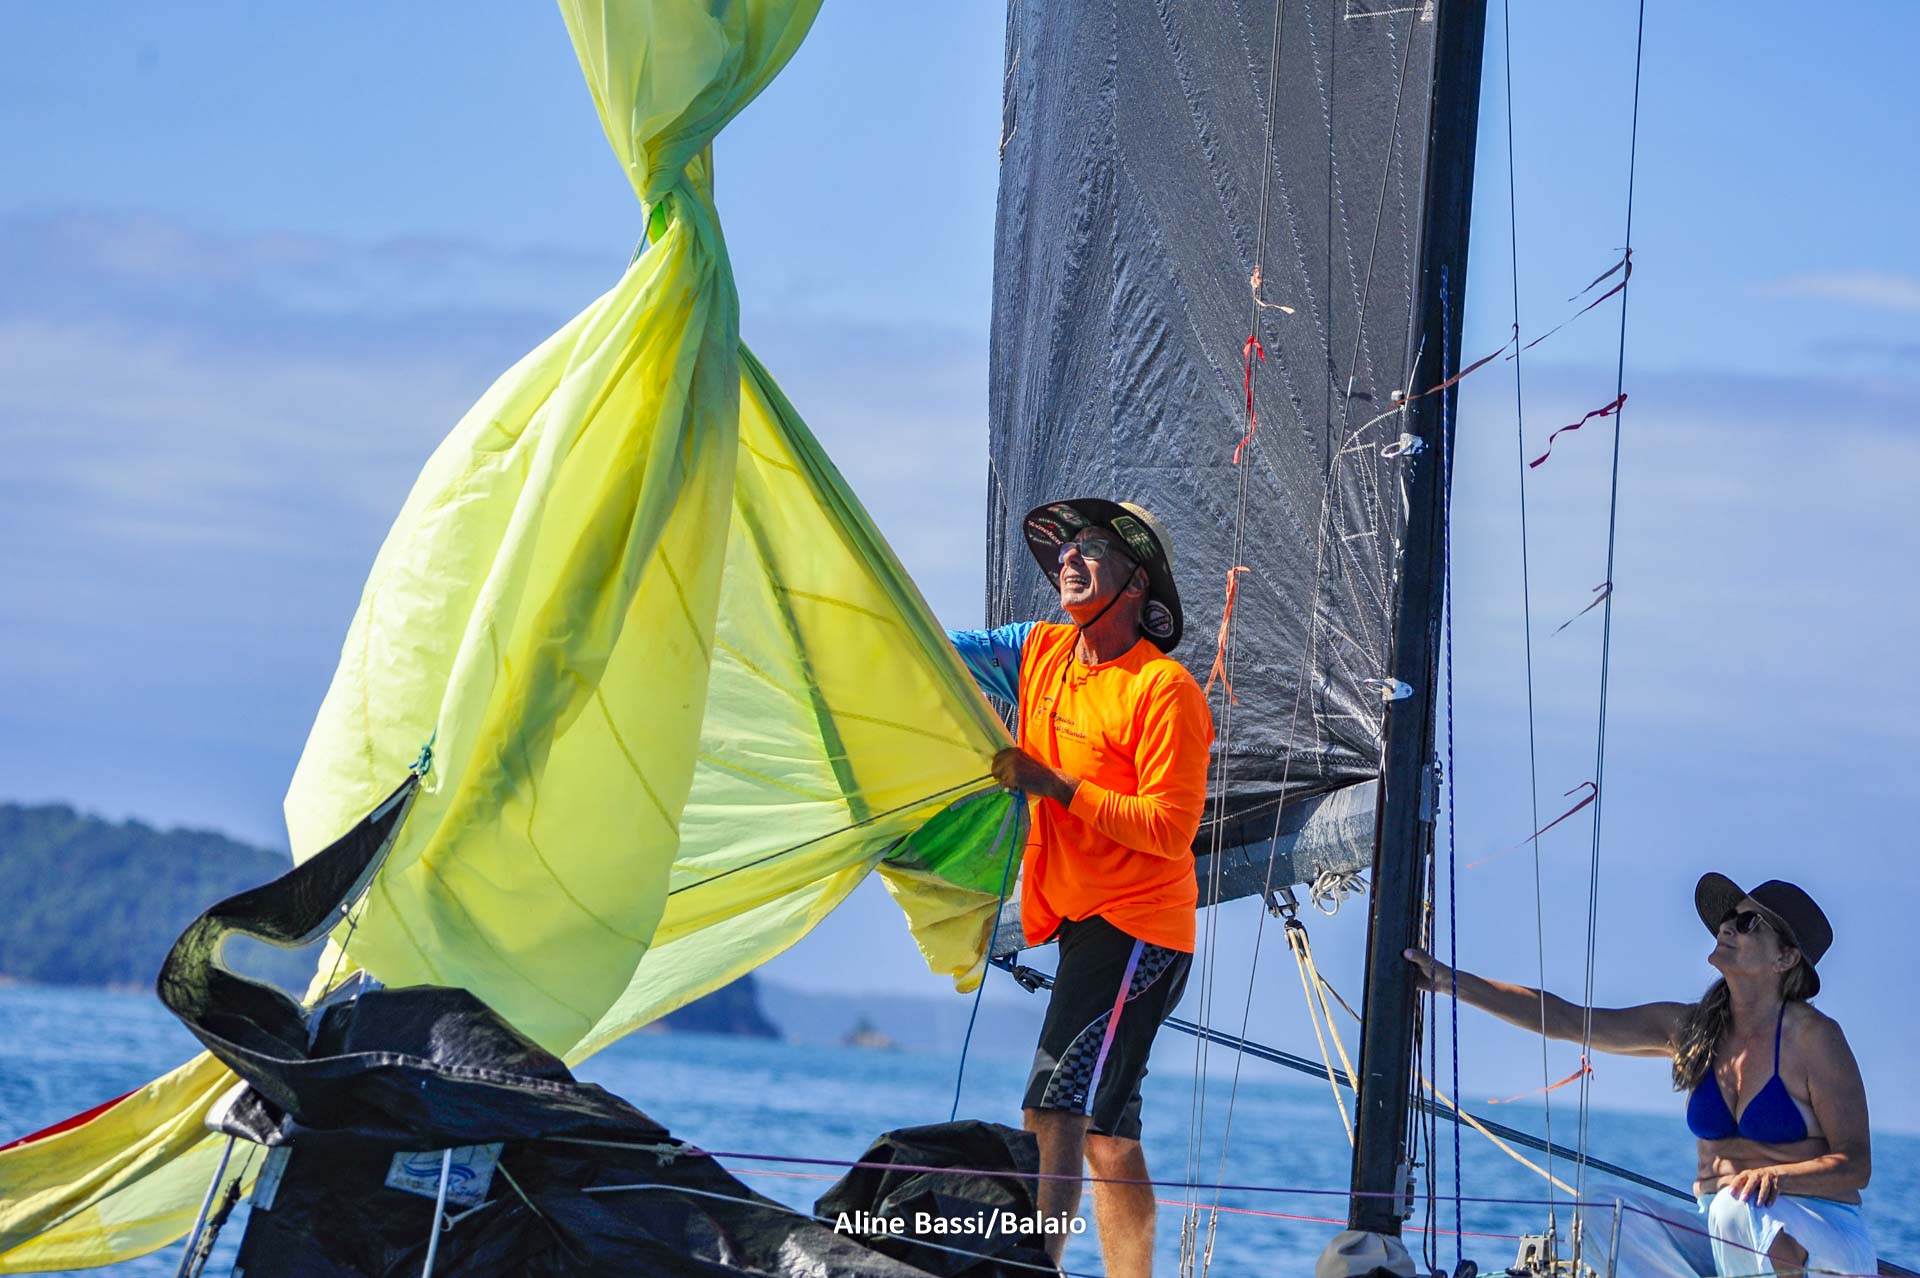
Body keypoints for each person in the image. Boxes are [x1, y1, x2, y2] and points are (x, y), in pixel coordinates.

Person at [949, 498, 1212, 1278]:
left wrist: (1057, 787)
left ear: (1136, 582)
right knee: (1107, 1134)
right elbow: (935, 653)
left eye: (1091, 548)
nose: (1068, 557)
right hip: (1077, 920)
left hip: (1137, 927)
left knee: (1052, 1103)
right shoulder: (1036, 651)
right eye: (1065, 547)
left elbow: (1169, 828)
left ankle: (1035, 1269)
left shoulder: (1163, 690)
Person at [1407, 875, 1875, 1277]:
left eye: (1749, 922)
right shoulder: (1693, 1030)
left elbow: (1856, 1165)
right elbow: (1569, 1020)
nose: (1728, 926)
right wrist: (1450, 982)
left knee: (1736, 1207)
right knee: (1599, 1210)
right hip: (1724, 1233)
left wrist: (1776, 1176)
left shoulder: (1814, 1039)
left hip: (1821, 1235)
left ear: (1786, 958)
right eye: (1729, 916)